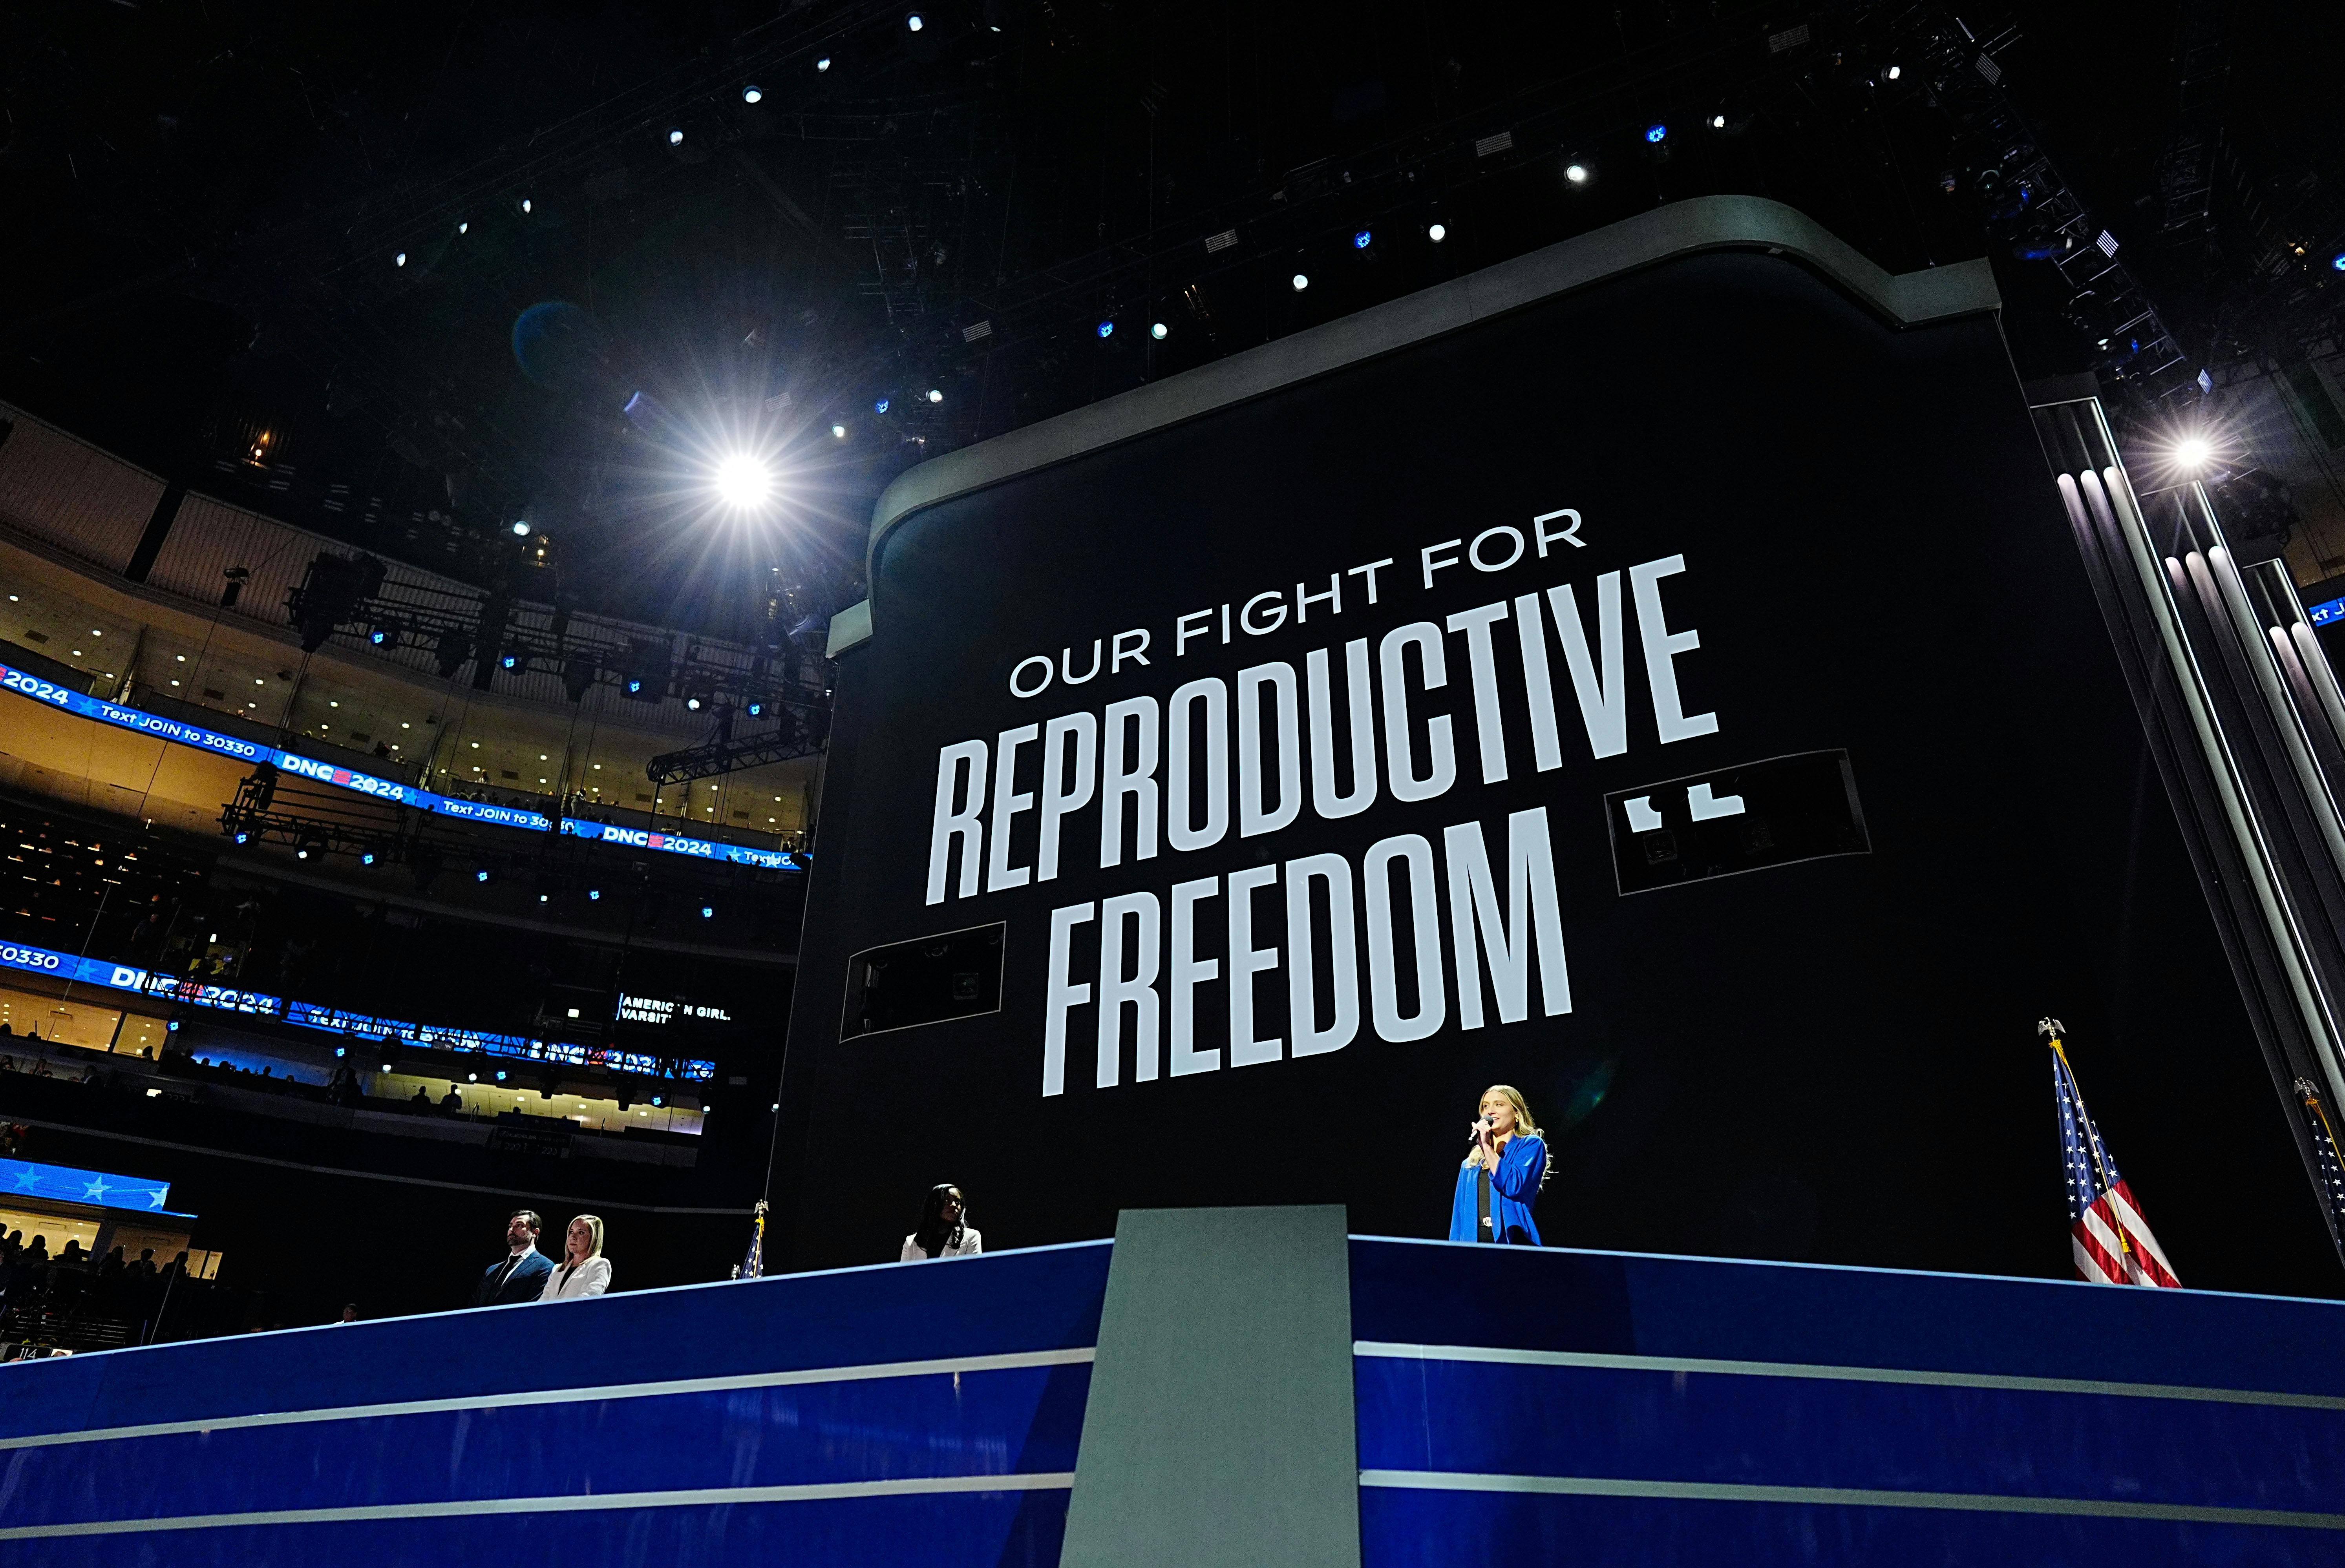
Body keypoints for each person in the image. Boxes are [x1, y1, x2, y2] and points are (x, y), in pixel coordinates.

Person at [1448, 1084, 1548, 1247]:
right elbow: (1459, 1218)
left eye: (1499, 1105)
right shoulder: (1470, 1164)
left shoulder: (1531, 1146)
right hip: (1473, 1248)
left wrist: (1486, 1147)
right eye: (1485, 1106)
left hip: (1512, 1244)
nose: (1490, 1111)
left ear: (1517, 1113)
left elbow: (1513, 1185)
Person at [472, 1210, 553, 1305]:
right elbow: (474, 1304)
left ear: (535, 1232)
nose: (512, 1230)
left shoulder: (544, 1266)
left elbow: (532, 1309)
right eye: (510, 1226)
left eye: (519, 1225)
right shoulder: (492, 1270)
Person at [537, 1215, 612, 1301]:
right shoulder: (558, 1269)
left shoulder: (600, 1265)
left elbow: (587, 1301)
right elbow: (543, 1302)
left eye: (581, 1233)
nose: (573, 1237)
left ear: (593, 1238)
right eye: (571, 1232)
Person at [901, 1184, 982, 1260]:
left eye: (957, 1202)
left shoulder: (971, 1237)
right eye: (947, 1201)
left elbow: (974, 1272)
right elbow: (903, 1274)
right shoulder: (911, 1242)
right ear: (934, 1205)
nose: (954, 1205)